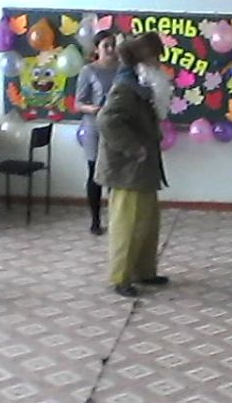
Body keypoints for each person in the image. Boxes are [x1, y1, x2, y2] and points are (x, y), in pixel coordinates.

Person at [95, 32, 171, 298]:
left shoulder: (142, 86)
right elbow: (107, 121)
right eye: (155, 57)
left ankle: (144, 271)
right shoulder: (126, 87)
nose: (159, 63)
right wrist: (134, 147)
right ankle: (121, 277)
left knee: (147, 224)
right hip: (128, 169)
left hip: (143, 168)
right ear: (142, 59)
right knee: (127, 225)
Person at [75, 30, 118, 235]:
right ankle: (95, 221)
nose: (110, 49)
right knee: (95, 173)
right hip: (94, 127)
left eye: (113, 45)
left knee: (115, 174)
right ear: (97, 49)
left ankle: (117, 220)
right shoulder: (88, 70)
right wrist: (93, 109)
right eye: (106, 46)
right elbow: (78, 103)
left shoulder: (123, 69)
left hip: (116, 127)